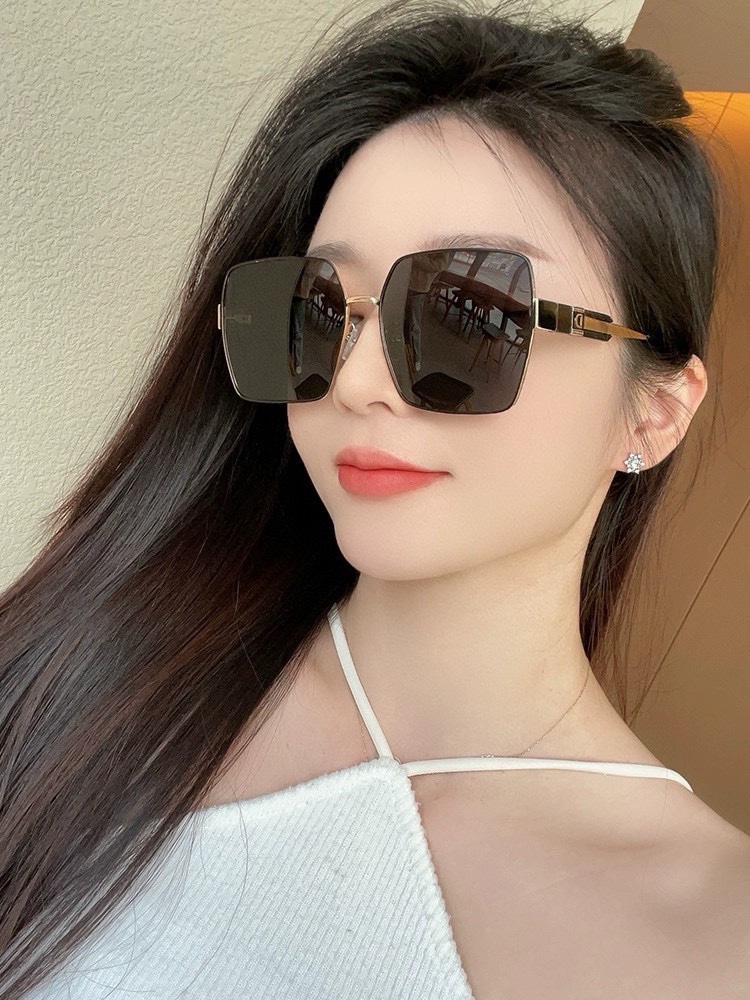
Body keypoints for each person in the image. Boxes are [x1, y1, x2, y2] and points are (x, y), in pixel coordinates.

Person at [2, 1, 749, 998]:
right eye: (319, 310)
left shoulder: (714, 934)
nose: (356, 380)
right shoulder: (88, 662)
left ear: (655, 411)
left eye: (469, 315)